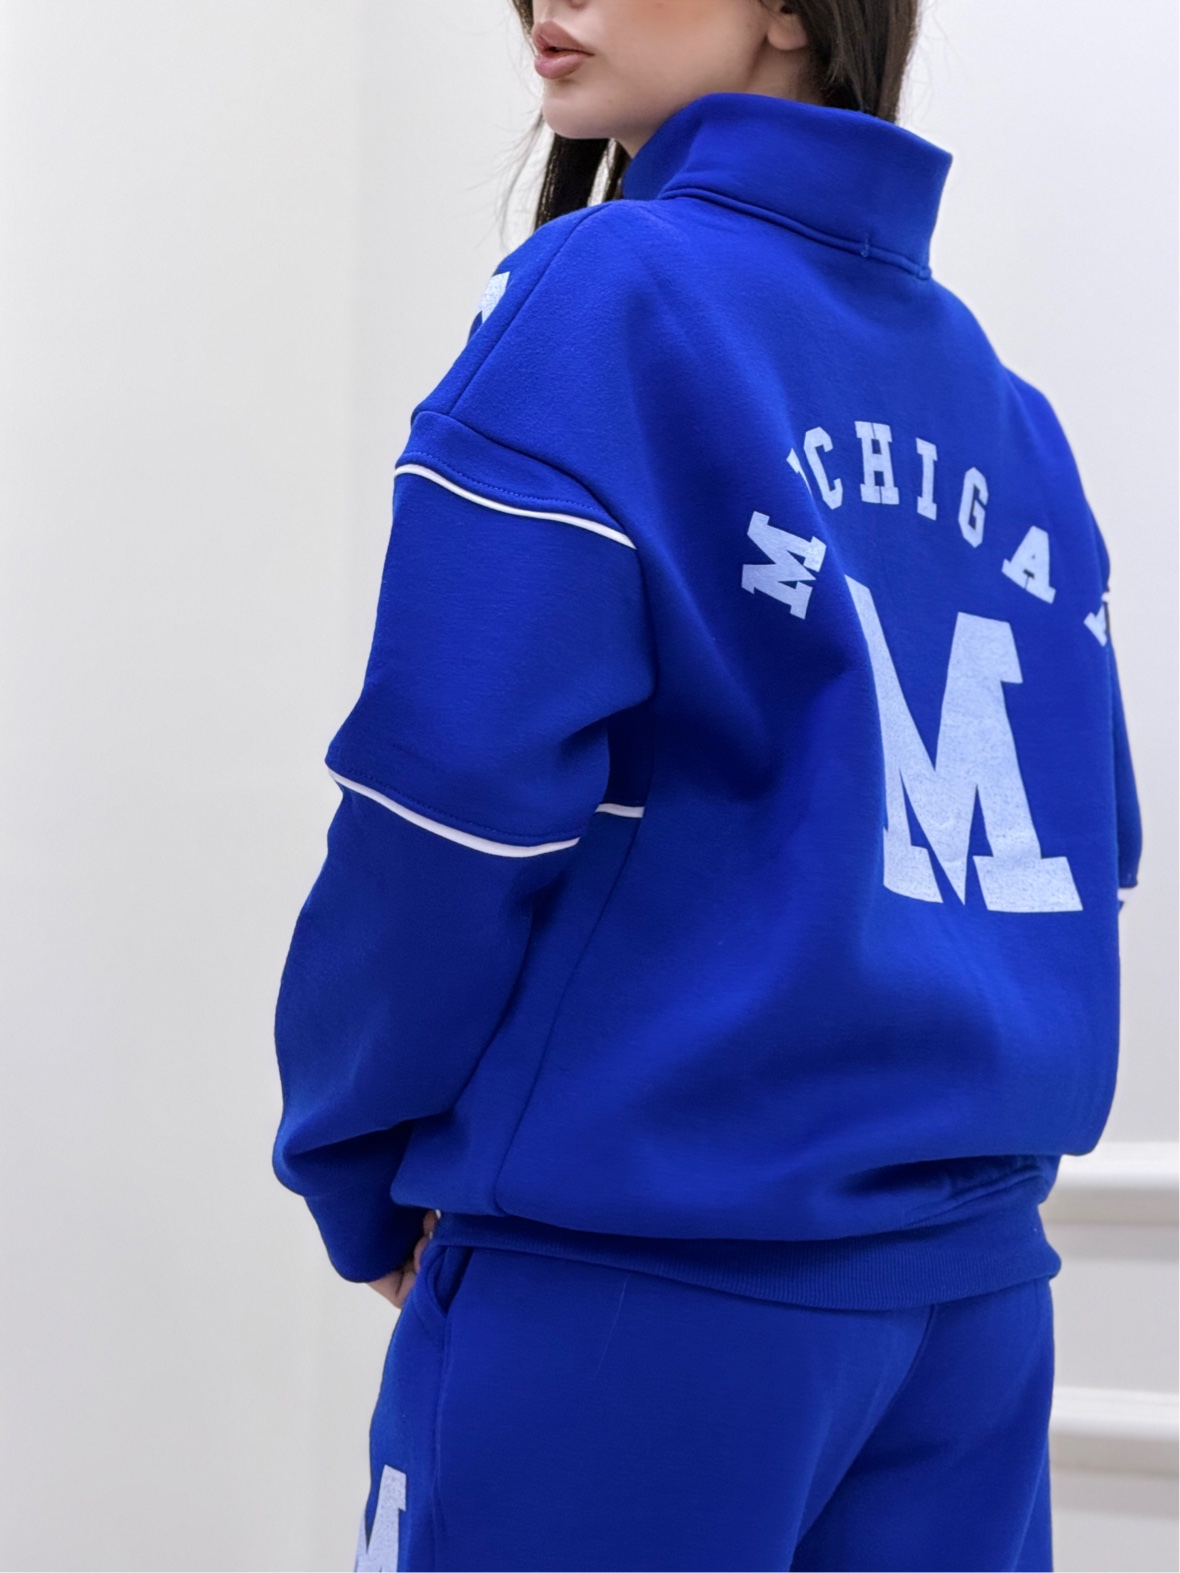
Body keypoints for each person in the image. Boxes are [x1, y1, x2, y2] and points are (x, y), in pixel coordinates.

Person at [271, 1, 1141, 1568]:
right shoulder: (1012, 415)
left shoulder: (607, 292)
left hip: (638, 1291)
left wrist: (351, 1156)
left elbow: (443, 805)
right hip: (972, 1318)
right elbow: (1090, 847)